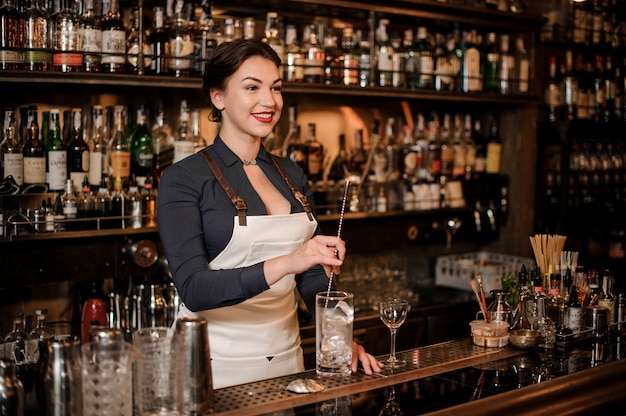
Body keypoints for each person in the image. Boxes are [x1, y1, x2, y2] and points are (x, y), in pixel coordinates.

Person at [157, 38, 382, 389]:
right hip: (212, 369)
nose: (269, 101)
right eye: (252, 87)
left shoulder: (290, 174)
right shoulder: (183, 178)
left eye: (275, 88)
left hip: (288, 362)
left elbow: (311, 276)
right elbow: (194, 288)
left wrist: (336, 335)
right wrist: (290, 261)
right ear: (218, 97)